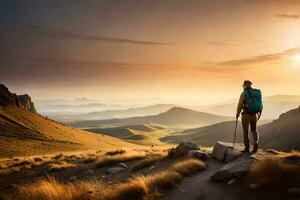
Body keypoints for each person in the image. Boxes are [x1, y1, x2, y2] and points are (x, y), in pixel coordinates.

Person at [236, 80, 262, 153]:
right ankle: (256, 143)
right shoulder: (257, 93)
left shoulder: (244, 93)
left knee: (245, 132)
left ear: (245, 85)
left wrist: (237, 113)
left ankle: (247, 148)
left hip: (246, 115)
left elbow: (240, 104)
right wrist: (259, 113)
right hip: (254, 115)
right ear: (250, 85)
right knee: (254, 130)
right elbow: (261, 104)